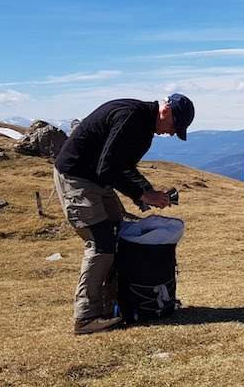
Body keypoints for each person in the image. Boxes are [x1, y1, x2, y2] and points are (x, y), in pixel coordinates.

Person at [53, 93, 194, 335]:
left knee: (120, 234)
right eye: (174, 127)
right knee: (101, 242)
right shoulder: (130, 116)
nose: (171, 133)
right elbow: (107, 167)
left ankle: (113, 307)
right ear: (166, 112)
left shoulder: (144, 128)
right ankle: (86, 318)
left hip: (97, 180)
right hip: (77, 177)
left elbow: (125, 167)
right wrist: (141, 195)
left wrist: (148, 191)